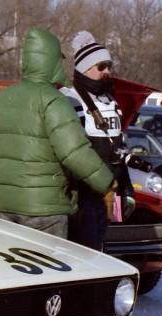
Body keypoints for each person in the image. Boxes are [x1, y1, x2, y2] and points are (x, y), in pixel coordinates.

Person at [0, 28, 113, 239]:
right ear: (52, 61)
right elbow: (74, 152)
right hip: (47, 210)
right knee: (49, 269)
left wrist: (5, 179)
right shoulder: (54, 101)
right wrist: (108, 184)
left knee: (14, 265)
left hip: (7, 205)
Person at [61, 31, 136, 251]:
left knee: (100, 255)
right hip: (82, 196)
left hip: (106, 195)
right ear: (85, 69)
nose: (107, 72)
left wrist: (126, 187)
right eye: (101, 66)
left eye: (108, 66)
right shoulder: (69, 99)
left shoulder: (110, 101)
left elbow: (117, 147)